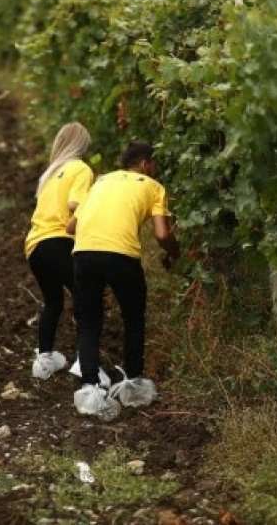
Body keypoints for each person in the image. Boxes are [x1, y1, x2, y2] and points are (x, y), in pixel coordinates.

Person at [67, 141, 180, 420]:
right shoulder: (154, 187)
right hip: (121, 256)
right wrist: (176, 254)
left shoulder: (101, 182)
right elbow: (163, 235)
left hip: (83, 253)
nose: (155, 170)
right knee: (133, 317)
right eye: (154, 165)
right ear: (145, 164)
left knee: (89, 321)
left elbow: (71, 226)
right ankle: (132, 384)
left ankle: (90, 387)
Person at [23, 122, 94, 381]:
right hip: (59, 241)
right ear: (83, 145)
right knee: (86, 297)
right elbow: (77, 206)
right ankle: (85, 363)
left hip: (35, 245)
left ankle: (44, 359)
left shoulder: (50, 174)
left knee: (53, 301)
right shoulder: (81, 169)